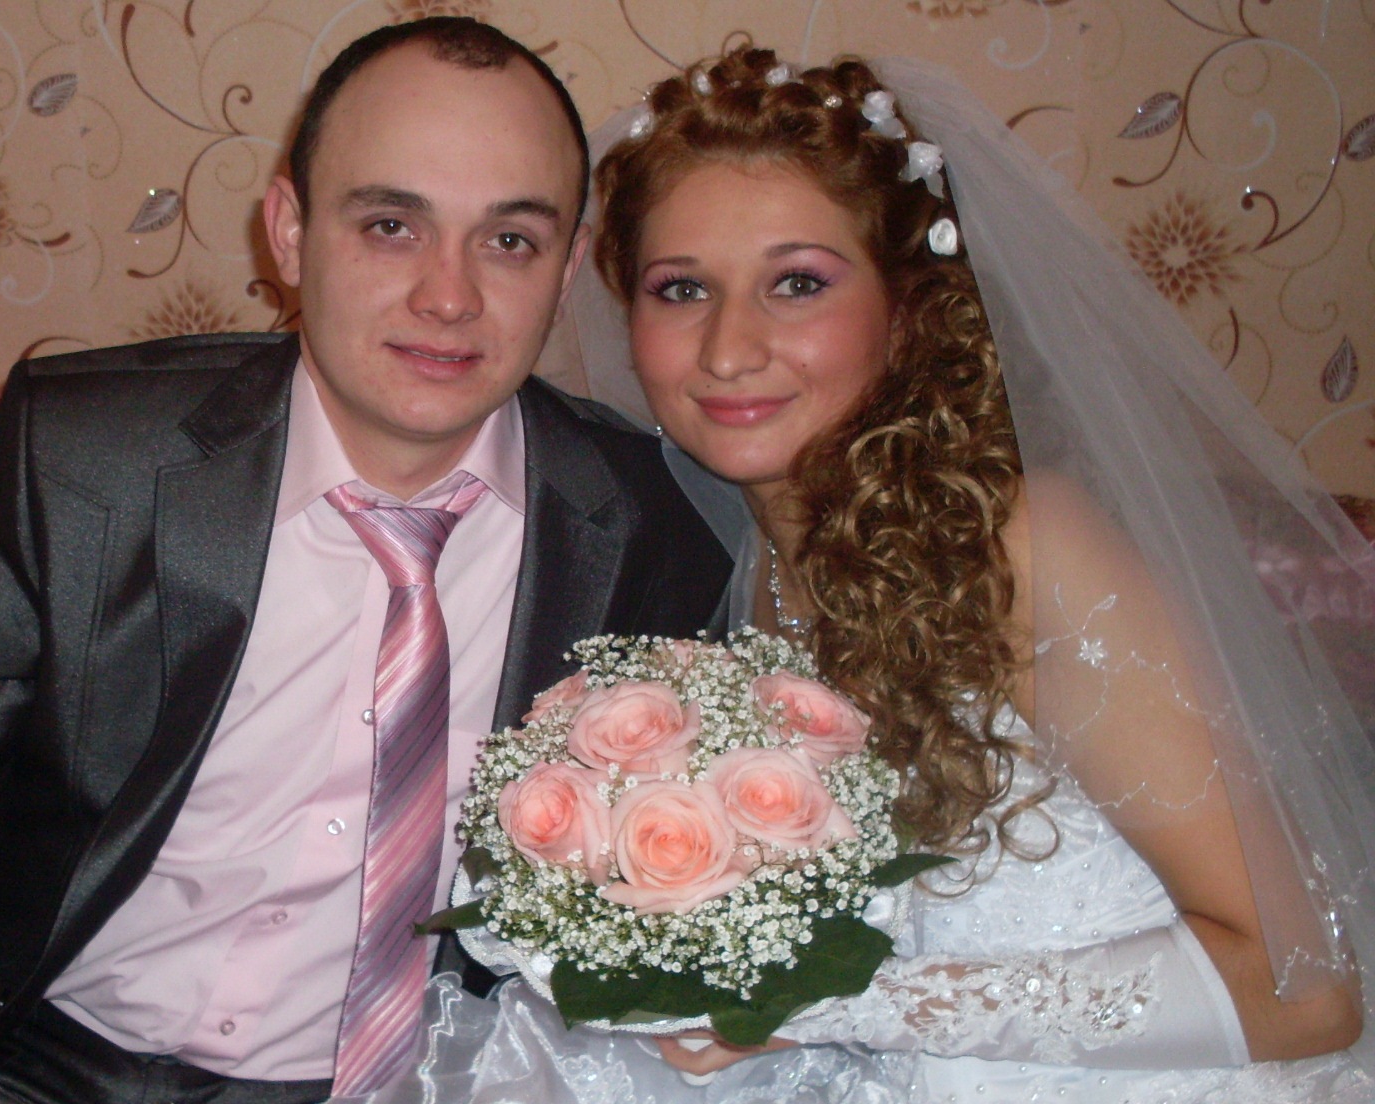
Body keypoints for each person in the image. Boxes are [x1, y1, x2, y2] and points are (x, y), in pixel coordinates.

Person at [397, 44, 1375, 1104]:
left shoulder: (1021, 545)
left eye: (797, 284)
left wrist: (828, 1005)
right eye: (681, 289)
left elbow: (1307, 996)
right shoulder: (742, 568)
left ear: (906, 310)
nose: (728, 349)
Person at [0, 17, 733, 1104]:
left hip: (407, 1079)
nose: (448, 296)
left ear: (568, 264)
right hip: (42, 1058)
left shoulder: (651, 524)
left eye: (508, 240)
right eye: (391, 225)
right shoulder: (89, 457)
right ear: (289, 233)